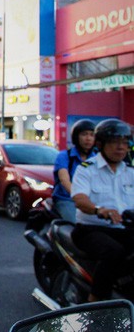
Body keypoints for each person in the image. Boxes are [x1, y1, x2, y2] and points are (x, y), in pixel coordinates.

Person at [71, 119, 134, 302]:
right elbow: (80, 199)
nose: (121, 147)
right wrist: (99, 210)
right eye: (115, 142)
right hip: (91, 229)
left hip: (123, 229)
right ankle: (95, 302)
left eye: (125, 143)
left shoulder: (130, 172)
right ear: (101, 144)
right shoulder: (87, 170)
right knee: (112, 252)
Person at [52, 119, 97, 222]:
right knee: (76, 225)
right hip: (67, 200)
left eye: (91, 135)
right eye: (84, 134)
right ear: (76, 137)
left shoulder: (97, 158)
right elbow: (64, 180)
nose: (88, 138)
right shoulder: (64, 156)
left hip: (90, 201)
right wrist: (79, 197)